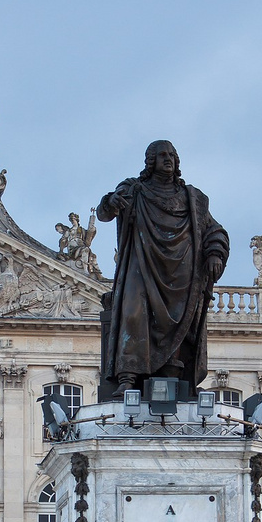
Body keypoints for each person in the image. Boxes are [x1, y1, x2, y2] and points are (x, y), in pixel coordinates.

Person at [97, 140, 229, 397]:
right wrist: (112, 201)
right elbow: (105, 212)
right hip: (142, 262)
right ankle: (128, 376)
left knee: (178, 321)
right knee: (133, 313)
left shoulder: (193, 198)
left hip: (182, 271)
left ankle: (172, 372)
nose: (168, 159)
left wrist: (214, 253)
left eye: (172, 155)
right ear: (151, 161)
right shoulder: (134, 189)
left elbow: (214, 230)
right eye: (161, 155)